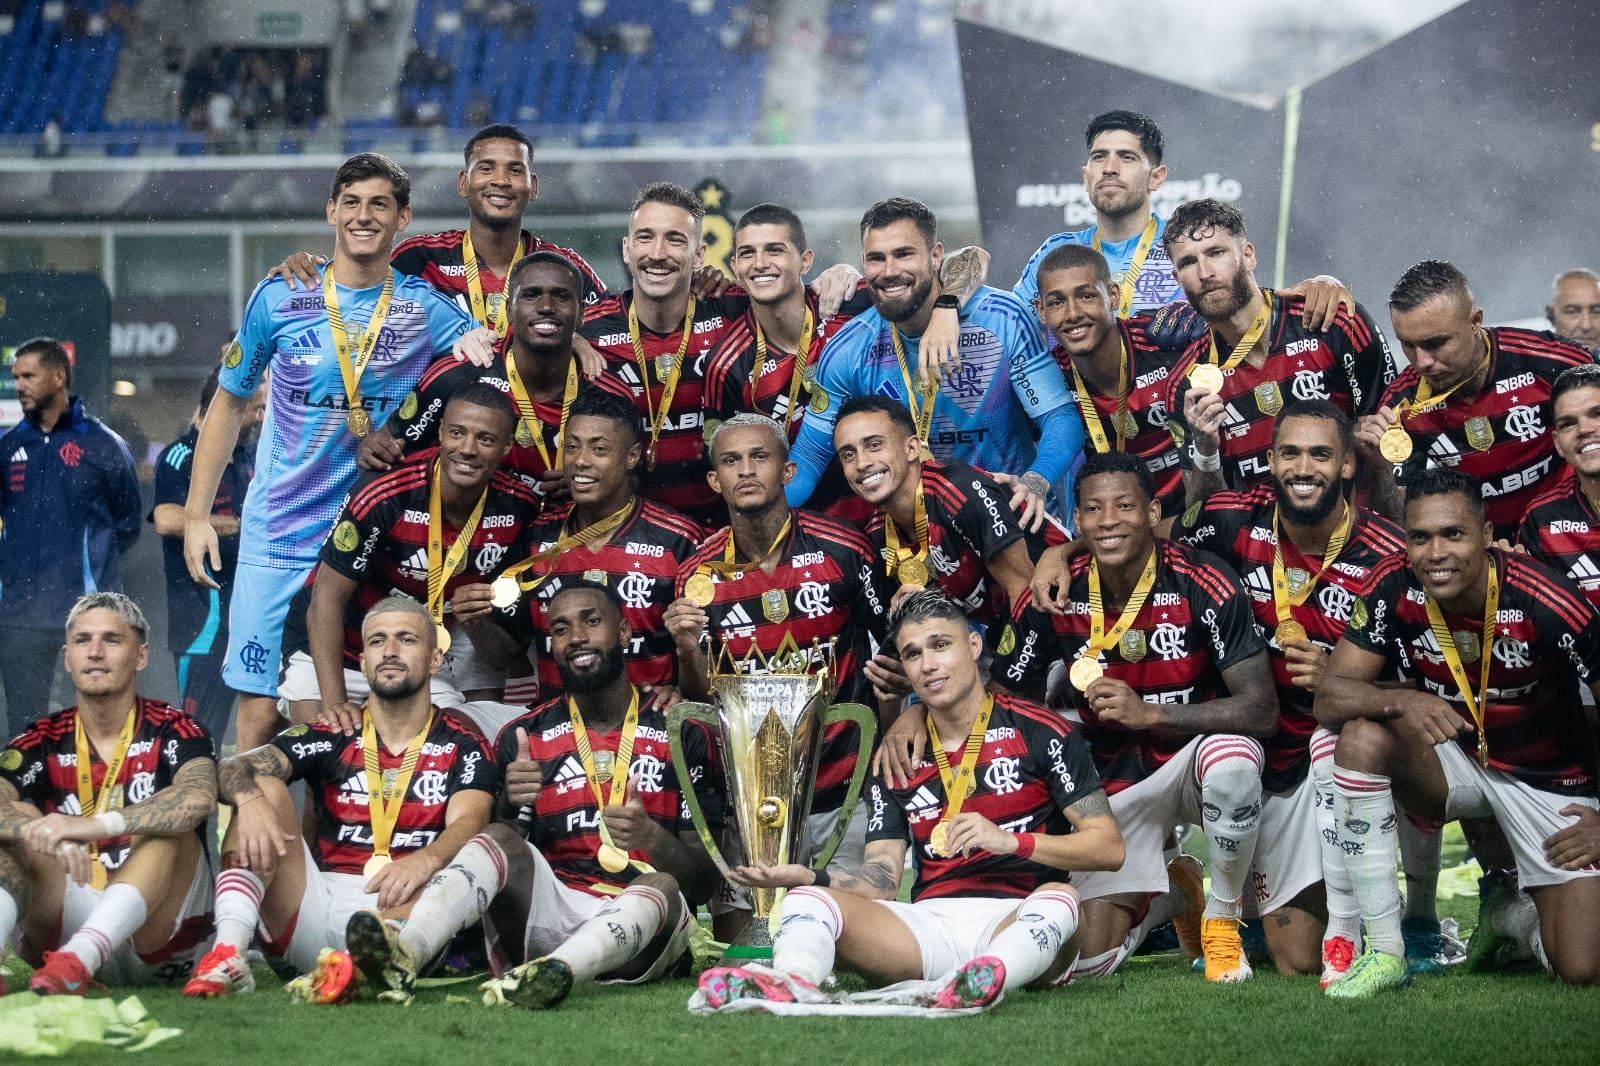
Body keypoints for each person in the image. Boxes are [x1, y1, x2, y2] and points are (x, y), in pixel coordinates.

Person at [695, 590, 1123, 1013]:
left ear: (974, 646)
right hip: (929, 927)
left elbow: (1107, 847)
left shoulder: (1040, 731)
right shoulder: (896, 757)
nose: (929, 665)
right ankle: (793, 982)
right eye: (913, 654)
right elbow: (881, 879)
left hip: (1020, 917)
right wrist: (809, 875)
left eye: (941, 645)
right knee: (807, 901)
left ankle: (989, 978)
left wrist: (1013, 842)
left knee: (1060, 899)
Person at [183, 153, 476, 753]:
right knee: (260, 715)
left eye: (379, 205)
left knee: (360, 713)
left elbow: (499, 368)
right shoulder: (278, 295)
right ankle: (250, 843)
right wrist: (195, 514)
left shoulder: (426, 308)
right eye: (351, 203)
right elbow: (229, 404)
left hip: (368, 541)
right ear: (330, 212)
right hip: (277, 534)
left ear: (404, 218)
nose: (363, 217)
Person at [347, 581, 723, 1007]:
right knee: (495, 839)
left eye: (591, 621)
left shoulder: (682, 732)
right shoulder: (524, 736)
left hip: (642, 929)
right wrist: (509, 805)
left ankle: (558, 973)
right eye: (560, 629)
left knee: (661, 885)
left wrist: (649, 837)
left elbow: (702, 885)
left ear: (622, 633)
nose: (577, 637)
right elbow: (503, 867)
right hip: (552, 910)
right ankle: (407, 951)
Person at [989, 451, 1278, 983]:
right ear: (1076, 521)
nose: (1108, 521)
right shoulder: (1057, 590)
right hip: (1106, 780)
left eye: (1125, 506)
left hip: (1191, 759)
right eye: (1094, 510)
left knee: (1236, 763)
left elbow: (1260, 710)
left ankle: (1222, 917)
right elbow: (1004, 699)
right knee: (1088, 961)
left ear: (1152, 513)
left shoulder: (1204, 580)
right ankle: (1176, 895)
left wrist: (1150, 713)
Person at [1314, 469, 1600, 995]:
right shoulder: (1392, 583)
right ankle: (1384, 950)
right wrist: (1401, 698)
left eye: (1453, 534)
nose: (1435, 552)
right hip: (1454, 760)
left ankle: (1509, 917)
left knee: (1582, 968)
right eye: (1419, 537)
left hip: (1549, 777)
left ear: (1487, 536)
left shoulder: (1549, 598)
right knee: (1357, 736)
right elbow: (1329, 697)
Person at [1170, 400, 1405, 983]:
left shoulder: (1388, 552)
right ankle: (1207, 904)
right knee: (1232, 769)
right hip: (1252, 747)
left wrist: (1338, 677)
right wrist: (1061, 550)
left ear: (1349, 464)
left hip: (1322, 752)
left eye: (1321, 454)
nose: (1305, 468)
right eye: (1291, 453)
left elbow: (1418, 677)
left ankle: (1366, 922)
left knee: (1299, 964)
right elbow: (1136, 538)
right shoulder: (1232, 518)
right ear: (1270, 460)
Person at [183, 596, 498, 998]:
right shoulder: (332, 732)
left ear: (435, 660)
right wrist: (249, 800)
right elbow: (228, 770)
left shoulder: (463, 741)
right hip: (317, 906)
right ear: (363, 662)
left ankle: (372, 967)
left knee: (482, 849)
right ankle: (226, 953)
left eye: (406, 640)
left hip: (404, 914)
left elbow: (471, 821)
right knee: (258, 783)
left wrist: (426, 860)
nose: (390, 652)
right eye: (377, 641)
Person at [665, 413, 900, 940]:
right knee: (746, 945)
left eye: (760, 457)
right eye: (730, 461)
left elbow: (889, 652)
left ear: (788, 470)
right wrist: (685, 647)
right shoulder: (696, 575)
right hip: (751, 800)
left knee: (849, 940)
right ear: (713, 481)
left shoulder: (845, 549)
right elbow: (702, 699)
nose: (746, 470)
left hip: (843, 788)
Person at [788, 198, 1082, 522]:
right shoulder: (849, 348)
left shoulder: (1002, 318)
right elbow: (810, 458)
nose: (889, 271)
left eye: (904, 254)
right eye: (876, 258)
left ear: (936, 256)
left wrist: (1035, 481)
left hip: (1015, 519)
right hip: (920, 540)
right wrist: (756, 516)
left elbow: (1060, 417)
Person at [283, 386, 541, 742]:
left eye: (485, 439)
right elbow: (325, 600)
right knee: (327, 747)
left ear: (507, 447)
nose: (467, 449)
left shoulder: (520, 508)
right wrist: (335, 704)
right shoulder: (385, 493)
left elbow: (508, 656)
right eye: (457, 433)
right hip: (344, 646)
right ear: (440, 434)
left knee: (443, 751)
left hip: (427, 653)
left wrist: (478, 622)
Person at [0, 593, 217, 995]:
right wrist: (37, 831)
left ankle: (82, 957)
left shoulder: (177, 728)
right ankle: (64, 963)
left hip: (160, 938)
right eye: (83, 641)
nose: (95, 652)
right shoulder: (38, 739)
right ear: (67, 657)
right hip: (61, 936)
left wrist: (90, 827)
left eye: (112, 640)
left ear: (141, 655)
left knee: (166, 824)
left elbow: (198, 798)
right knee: (15, 823)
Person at [1162, 199, 1397, 505]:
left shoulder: (1332, 323)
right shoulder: (1186, 383)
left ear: (1248, 256)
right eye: (1188, 262)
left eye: (1216, 253)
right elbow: (1204, 517)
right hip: (1258, 548)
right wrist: (1206, 450)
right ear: (1178, 279)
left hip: (1354, 537)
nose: (1205, 272)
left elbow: (1397, 448)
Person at [357, 251, 632, 500]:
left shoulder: (611, 393)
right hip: (470, 544)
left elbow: (634, 482)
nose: (546, 306)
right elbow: (386, 452)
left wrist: (594, 483)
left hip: (563, 542)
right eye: (531, 294)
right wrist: (375, 450)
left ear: (582, 314)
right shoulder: (457, 374)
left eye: (561, 296)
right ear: (509, 310)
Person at [1360, 260, 1594, 538]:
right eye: (1408, 344)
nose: (1422, 362)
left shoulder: (1552, 361)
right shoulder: (1400, 405)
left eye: (1436, 343)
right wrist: (1380, 470)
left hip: (1575, 534)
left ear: (1475, 322)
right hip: (1486, 552)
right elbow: (1400, 522)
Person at [501, 388, 706, 702]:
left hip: (649, 730)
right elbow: (509, 647)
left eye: (599, 449)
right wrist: (474, 622)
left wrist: (680, 690)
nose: (580, 461)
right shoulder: (536, 537)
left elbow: (704, 654)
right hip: (559, 732)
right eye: (571, 447)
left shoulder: (678, 540)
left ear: (632, 456)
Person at [276, 124, 607, 316]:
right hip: (435, 433)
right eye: (487, 168)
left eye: (515, 170)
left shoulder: (565, 269)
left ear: (532, 187)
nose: (501, 181)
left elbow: (612, 332)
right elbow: (355, 287)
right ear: (463, 183)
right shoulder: (419, 258)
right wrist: (312, 268)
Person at [0, 339, 142, 734]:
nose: (20, 385)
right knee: (24, 731)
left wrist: (89, 574)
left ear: (59, 376)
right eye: (15, 378)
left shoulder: (104, 445)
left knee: (97, 722)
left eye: (28, 376)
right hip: (20, 616)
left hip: (86, 614)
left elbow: (127, 526)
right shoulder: (9, 447)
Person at [832, 397, 1052, 635]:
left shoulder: (958, 492)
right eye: (848, 455)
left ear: (912, 448)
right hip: (1003, 630)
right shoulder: (877, 532)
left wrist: (1004, 672)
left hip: (1070, 612)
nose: (862, 463)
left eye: (874, 445)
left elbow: (1025, 594)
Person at [1032, 243, 1188, 524]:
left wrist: (1277, 298)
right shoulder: (1047, 377)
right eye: (1056, 302)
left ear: (1113, 296)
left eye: (1086, 296)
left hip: (1197, 522)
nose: (1073, 313)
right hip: (1117, 532)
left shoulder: (1164, 339)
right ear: (1041, 310)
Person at [150, 369, 266, 742]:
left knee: (254, 738)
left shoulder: (249, 454)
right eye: (256, 408)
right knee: (199, 739)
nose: (262, 416)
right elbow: (166, 519)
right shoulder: (180, 455)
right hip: (203, 624)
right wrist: (241, 524)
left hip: (249, 621)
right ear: (227, 405)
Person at [1014, 109, 1184, 316]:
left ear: (1156, 177)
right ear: (1086, 177)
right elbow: (1011, 327)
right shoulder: (1056, 252)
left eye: (1127, 157)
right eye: (1099, 157)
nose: (1109, 168)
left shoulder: (1185, 243)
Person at [1520, 364, 1600, 608]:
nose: (1585, 429)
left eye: (1598, 414)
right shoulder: (1541, 520)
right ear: (1557, 443)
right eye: (1568, 423)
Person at [1545, 268, 1600, 354]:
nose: (1586, 325)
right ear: (1551, 314)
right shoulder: (1530, 364)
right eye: (1572, 311)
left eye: (1596, 311)